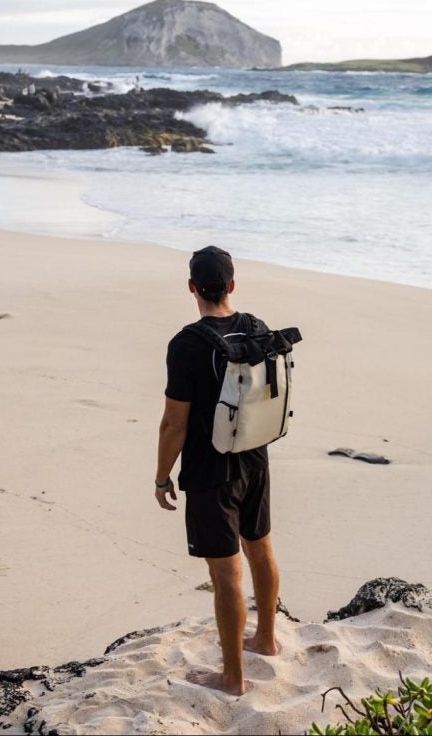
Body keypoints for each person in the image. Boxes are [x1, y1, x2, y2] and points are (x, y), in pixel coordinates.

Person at [154, 246, 281, 696]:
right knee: (260, 550)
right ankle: (266, 640)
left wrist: (162, 477)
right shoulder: (257, 328)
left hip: (211, 471)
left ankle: (232, 678)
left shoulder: (186, 344)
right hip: (255, 458)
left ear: (192, 287)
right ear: (231, 285)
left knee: (226, 576)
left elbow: (174, 423)